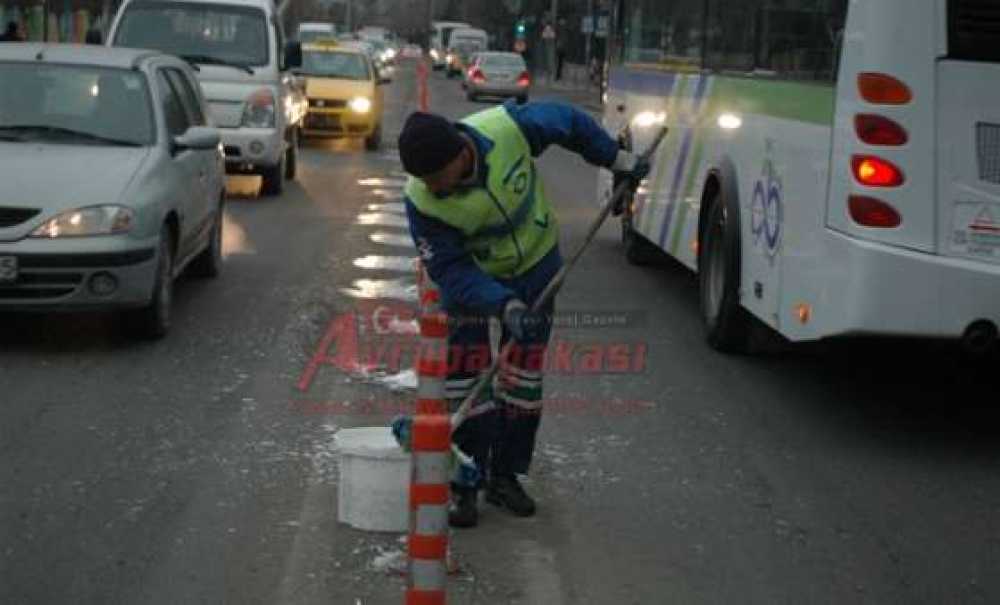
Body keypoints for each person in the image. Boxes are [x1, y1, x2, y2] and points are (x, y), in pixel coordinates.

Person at [398, 102, 650, 527]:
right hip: (473, 288)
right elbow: (449, 268)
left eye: (436, 178)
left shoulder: (507, 129)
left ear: (459, 155)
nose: (432, 188)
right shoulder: (421, 200)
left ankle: (504, 476)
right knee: (464, 381)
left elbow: (569, 123)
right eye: (424, 181)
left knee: (523, 381)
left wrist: (616, 159)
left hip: (536, 269)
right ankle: (464, 483)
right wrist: (503, 304)